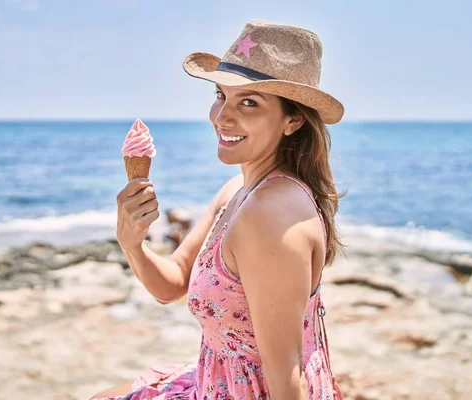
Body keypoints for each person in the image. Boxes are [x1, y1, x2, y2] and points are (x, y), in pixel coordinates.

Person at [92, 19, 345, 400]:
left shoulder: (270, 214)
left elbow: (286, 374)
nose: (222, 117)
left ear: (293, 120)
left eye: (249, 102)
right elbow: (172, 282)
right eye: (220, 95)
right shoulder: (237, 191)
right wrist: (132, 243)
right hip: (213, 381)